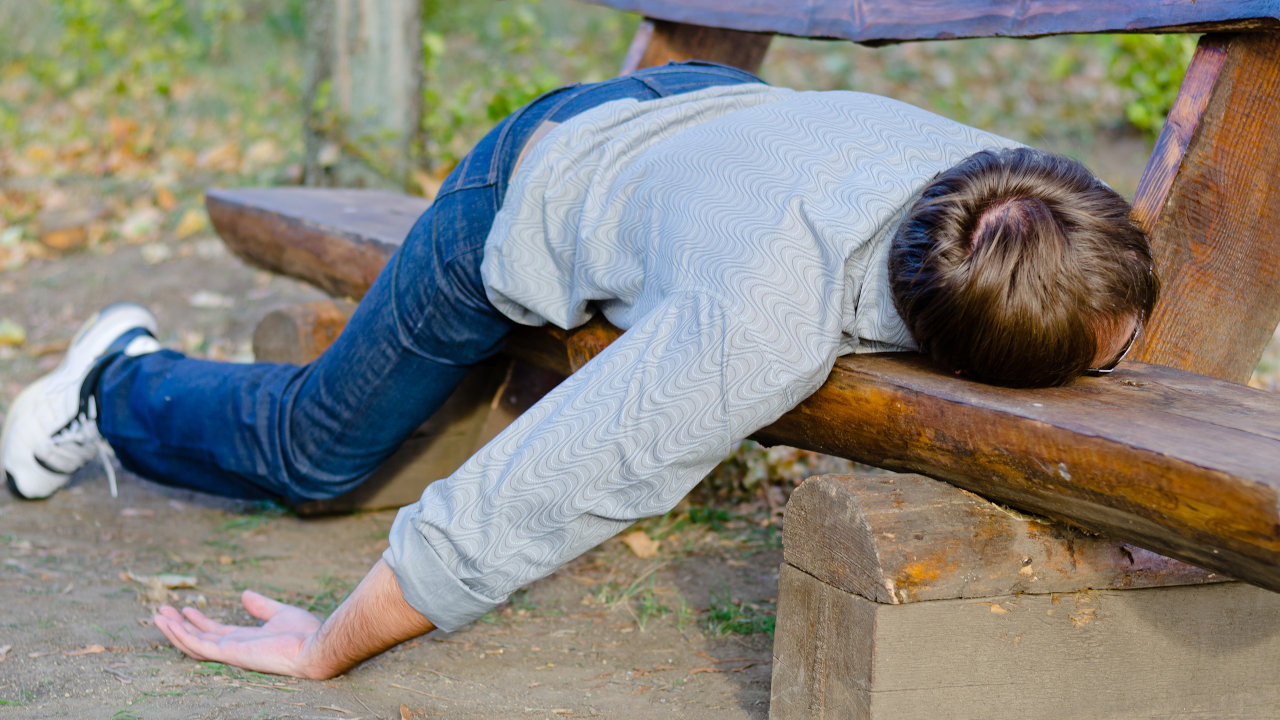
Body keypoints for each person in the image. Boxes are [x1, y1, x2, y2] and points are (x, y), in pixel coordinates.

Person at [1, 62, 1157, 679]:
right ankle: (114, 379)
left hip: (697, 118)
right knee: (318, 458)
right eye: (1109, 353)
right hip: (534, 177)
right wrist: (324, 647)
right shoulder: (757, 323)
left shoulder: (1009, 201)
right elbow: (529, 496)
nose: (1130, 352)